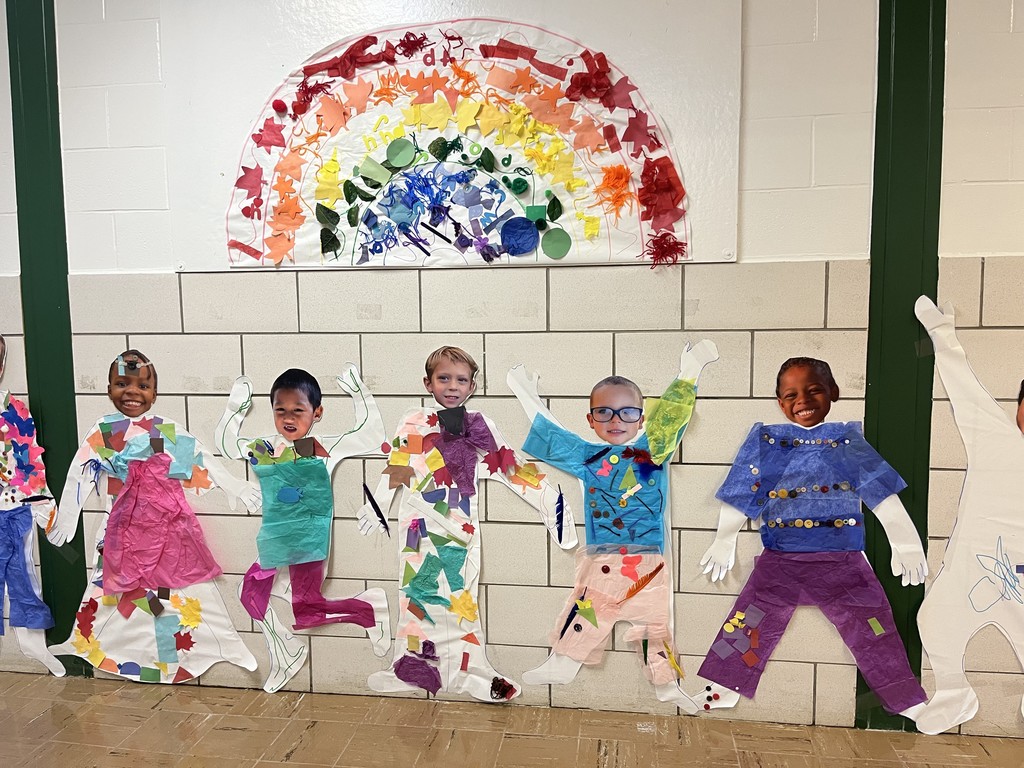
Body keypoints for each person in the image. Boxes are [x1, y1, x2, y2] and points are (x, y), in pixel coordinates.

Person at [696, 356, 928, 717]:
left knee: (873, 628)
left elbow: (879, 493)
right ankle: (724, 687)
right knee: (750, 619)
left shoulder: (845, 442)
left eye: (814, 390)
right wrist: (725, 539)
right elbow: (743, 491)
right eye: (790, 394)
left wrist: (905, 543)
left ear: (833, 393)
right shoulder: (767, 442)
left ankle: (907, 700)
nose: (802, 400)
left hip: (843, 559)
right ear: (779, 402)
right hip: (781, 558)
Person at [506, 340, 719, 712]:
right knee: (584, 609)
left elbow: (672, 413)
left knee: (655, 625)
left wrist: (691, 367)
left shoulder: (651, 450)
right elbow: (550, 432)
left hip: (648, 560)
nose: (616, 421)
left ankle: (667, 685)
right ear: (590, 419)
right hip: (603, 558)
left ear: (641, 417)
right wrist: (523, 390)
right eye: (604, 413)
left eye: (626, 413)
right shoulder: (588, 457)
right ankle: (563, 664)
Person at [357, 346, 576, 702]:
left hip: (459, 528)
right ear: (428, 383)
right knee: (416, 596)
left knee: (461, 597)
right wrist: (377, 504)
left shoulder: (479, 424)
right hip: (416, 528)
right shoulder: (412, 420)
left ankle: (476, 673)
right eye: (444, 378)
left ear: (472, 386)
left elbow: (510, 467)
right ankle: (411, 669)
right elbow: (398, 463)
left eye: (461, 380)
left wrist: (550, 502)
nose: (452, 386)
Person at [46, 350, 261, 683]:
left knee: (189, 589)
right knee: (109, 590)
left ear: (155, 393)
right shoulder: (105, 431)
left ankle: (225, 644)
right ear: (108, 389)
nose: (132, 392)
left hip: (167, 528)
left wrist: (233, 486)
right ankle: (85, 643)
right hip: (120, 529)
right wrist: (67, 518)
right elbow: (81, 472)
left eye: (142, 385)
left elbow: (198, 454)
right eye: (122, 383)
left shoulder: (162, 430)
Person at [215, 364, 389, 693]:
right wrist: (235, 409)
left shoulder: (322, 448)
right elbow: (226, 444)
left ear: (317, 412)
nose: (289, 418)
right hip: (276, 538)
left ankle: (367, 609)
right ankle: (287, 651)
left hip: (309, 542)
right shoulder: (266, 449)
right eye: (281, 410)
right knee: (250, 594)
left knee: (306, 610)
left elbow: (372, 436)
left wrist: (358, 392)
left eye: (298, 410)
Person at [912, 296, 1024, 734]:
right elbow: (964, 390)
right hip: (976, 564)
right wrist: (943, 336)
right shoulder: (996, 436)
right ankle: (955, 692)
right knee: (935, 620)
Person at [0, 335, 64, 675]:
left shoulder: (13, 409)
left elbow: (29, 457)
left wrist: (42, 501)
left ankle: (33, 644)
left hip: (12, 507)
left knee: (22, 574)